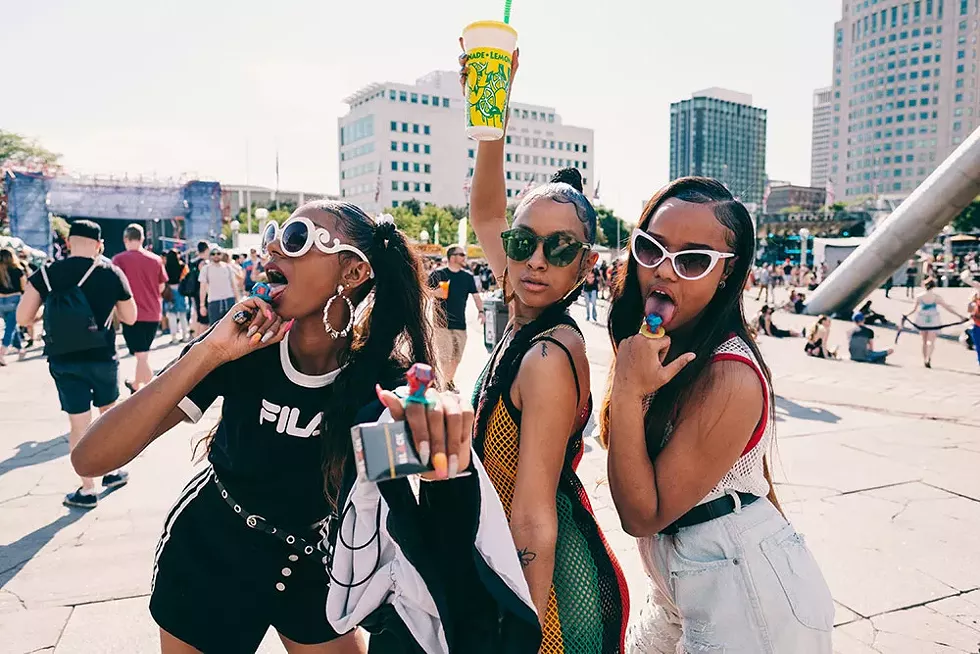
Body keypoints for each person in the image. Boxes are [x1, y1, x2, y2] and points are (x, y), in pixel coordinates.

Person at [70, 202, 542, 654]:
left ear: (353, 273)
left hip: (312, 564)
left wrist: (439, 444)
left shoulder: (378, 384)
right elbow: (92, 458)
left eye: (297, 238)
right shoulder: (242, 349)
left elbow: (399, 496)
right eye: (274, 236)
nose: (273, 249)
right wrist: (209, 352)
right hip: (211, 555)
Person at [599, 177, 833, 653]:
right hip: (681, 588)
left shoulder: (730, 375)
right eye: (651, 249)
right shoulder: (662, 348)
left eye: (692, 260)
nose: (664, 271)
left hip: (748, 600)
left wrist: (627, 390)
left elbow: (641, 515)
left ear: (727, 273)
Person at [467, 51, 630, 649]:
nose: (536, 260)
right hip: (510, 559)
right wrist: (491, 109)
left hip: (545, 585)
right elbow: (486, 211)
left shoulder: (546, 359)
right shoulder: (527, 304)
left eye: (560, 249)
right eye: (523, 243)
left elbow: (534, 514)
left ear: (586, 265)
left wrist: (524, 632)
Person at [15, 220, 137, 509]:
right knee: (108, 418)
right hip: (103, 357)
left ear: (69, 243)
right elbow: (131, 317)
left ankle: (87, 488)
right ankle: (113, 471)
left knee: (78, 425)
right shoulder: (111, 273)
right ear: (99, 245)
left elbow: (22, 318)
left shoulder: (47, 274)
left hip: (64, 360)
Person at [112, 224, 167, 392]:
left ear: (125, 239)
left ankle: (155, 392)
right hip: (153, 312)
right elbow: (161, 287)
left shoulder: (119, 260)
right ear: (142, 238)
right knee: (143, 353)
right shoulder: (156, 260)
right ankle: (136, 384)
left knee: (140, 355)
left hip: (130, 313)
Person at [428, 244, 484, 390]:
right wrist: (435, 293)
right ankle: (444, 386)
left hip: (460, 323)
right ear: (453, 257)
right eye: (462, 255)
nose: (465, 257)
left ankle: (448, 381)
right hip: (441, 323)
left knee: (457, 357)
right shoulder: (438, 274)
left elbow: (476, 295)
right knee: (445, 357)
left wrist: (481, 311)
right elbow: (423, 291)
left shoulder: (467, 277)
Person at [911, 278, 965, 368]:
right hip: (933, 319)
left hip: (922, 319)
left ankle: (925, 359)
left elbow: (913, 309)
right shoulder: (936, 297)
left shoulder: (919, 296)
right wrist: (960, 316)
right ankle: (929, 357)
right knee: (931, 341)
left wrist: (905, 315)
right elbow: (947, 307)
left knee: (924, 341)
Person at [0, 247, 29, 365]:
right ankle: (2, 353)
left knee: (11, 325)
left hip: (0, 302)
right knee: (10, 328)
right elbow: (24, 287)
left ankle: (20, 349)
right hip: (14, 300)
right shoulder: (18, 270)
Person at [199, 246, 239, 325]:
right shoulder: (206, 269)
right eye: (213, 254)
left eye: (218, 253)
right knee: (214, 328)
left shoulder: (228, 267)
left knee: (232, 327)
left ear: (221, 255)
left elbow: (233, 285)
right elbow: (202, 288)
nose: (216, 255)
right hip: (214, 302)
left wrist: (238, 300)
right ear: (210, 255)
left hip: (229, 300)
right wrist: (202, 305)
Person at [163, 249, 190, 344]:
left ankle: (174, 337)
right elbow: (186, 276)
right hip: (181, 291)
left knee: (172, 316)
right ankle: (185, 336)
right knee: (183, 315)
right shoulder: (183, 266)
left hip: (169, 292)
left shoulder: (165, 267)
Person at [185, 240, 211, 336]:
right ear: (206, 249)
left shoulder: (193, 262)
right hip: (202, 293)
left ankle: (195, 337)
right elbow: (205, 281)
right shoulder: (203, 263)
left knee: (199, 318)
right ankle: (199, 340)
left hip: (194, 292)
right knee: (204, 321)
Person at [969, 290, 980, 367]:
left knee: (978, 346)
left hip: (976, 326)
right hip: (976, 326)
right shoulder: (972, 304)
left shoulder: (972, 304)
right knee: (978, 346)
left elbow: (970, 315)